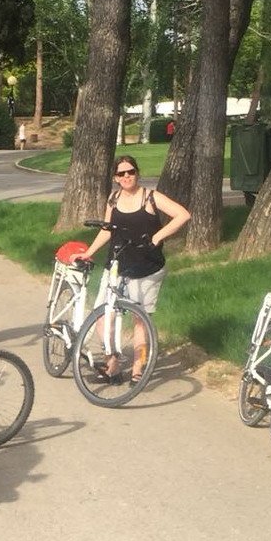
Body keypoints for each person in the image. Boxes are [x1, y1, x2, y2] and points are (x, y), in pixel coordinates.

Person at [80, 154, 189, 377]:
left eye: (131, 172)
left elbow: (182, 215)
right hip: (116, 266)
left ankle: (138, 367)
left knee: (140, 320)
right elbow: (107, 229)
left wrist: (157, 237)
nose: (127, 176)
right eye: (122, 173)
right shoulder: (113, 198)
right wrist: (89, 252)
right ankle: (113, 362)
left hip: (146, 267)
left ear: (137, 173)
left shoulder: (150, 197)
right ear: (116, 178)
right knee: (102, 317)